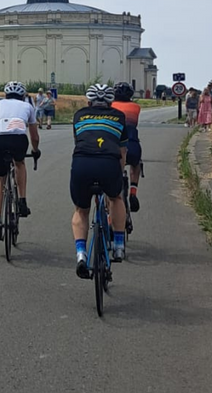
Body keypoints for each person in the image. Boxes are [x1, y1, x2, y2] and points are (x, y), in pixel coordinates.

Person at [70, 84, 129, 278]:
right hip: (108, 164)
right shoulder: (119, 117)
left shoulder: (79, 115)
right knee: (115, 198)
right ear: (111, 102)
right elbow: (122, 151)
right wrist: (118, 174)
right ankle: (119, 245)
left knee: (81, 210)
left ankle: (81, 253)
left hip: (82, 163)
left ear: (88, 101)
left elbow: (78, 141)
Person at [0, 81, 41, 241]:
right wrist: (35, 151)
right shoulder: (27, 107)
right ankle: (22, 201)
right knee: (20, 163)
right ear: (23, 96)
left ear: (5, 95)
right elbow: (35, 137)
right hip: (17, 138)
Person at [110, 82, 142, 214]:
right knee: (136, 163)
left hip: (113, 145)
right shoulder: (136, 107)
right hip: (131, 144)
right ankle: (133, 192)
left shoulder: (110, 107)